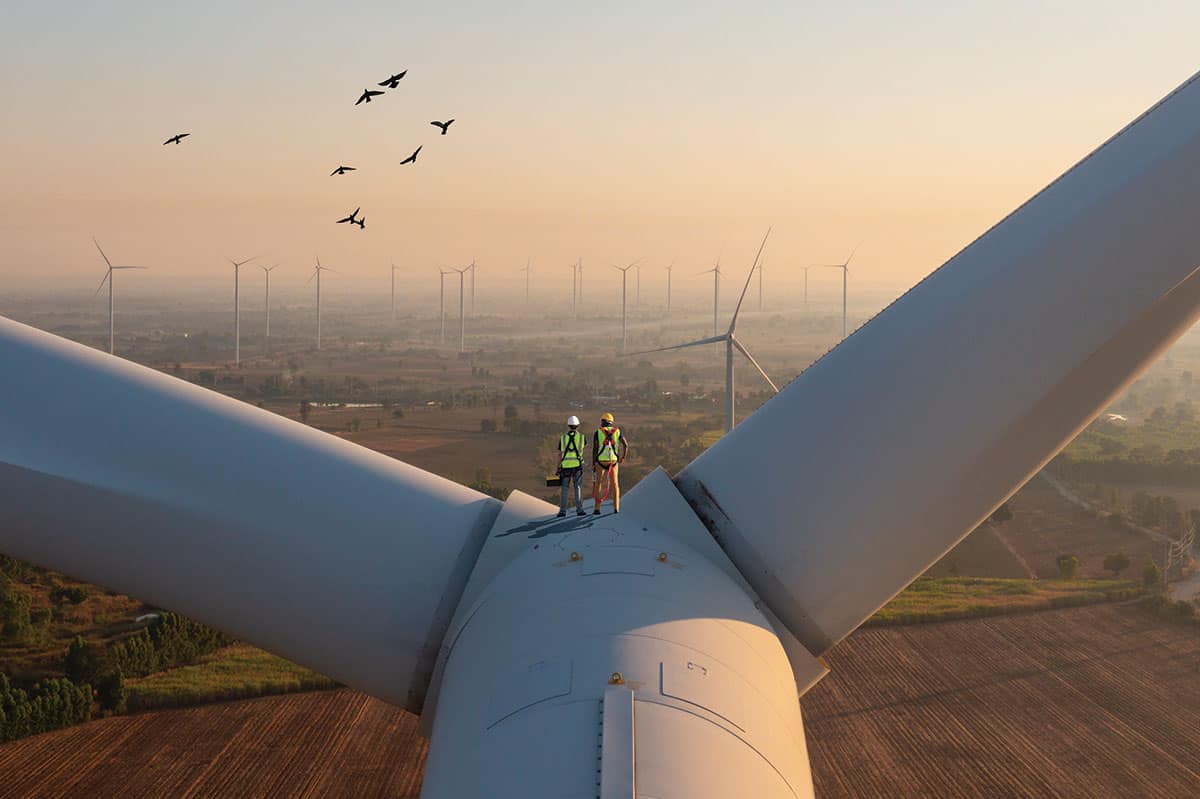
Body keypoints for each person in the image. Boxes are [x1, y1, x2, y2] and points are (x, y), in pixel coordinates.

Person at [592, 412, 629, 514]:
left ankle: (597, 508)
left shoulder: (598, 432)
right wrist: (623, 458)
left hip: (601, 461)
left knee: (598, 483)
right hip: (613, 461)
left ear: (602, 422)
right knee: (615, 484)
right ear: (611, 422)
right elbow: (625, 445)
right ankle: (616, 507)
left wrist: (593, 463)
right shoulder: (617, 431)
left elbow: (595, 449)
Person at [556, 415, 587, 517]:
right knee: (577, 487)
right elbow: (583, 448)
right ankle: (579, 510)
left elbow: (560, 454)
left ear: (568, 425)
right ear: (577, 425)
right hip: (577, 466)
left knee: (564, 489)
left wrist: (558, 467)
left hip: (565, 467)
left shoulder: (562, 438)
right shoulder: (582, 438)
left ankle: (562, 511)